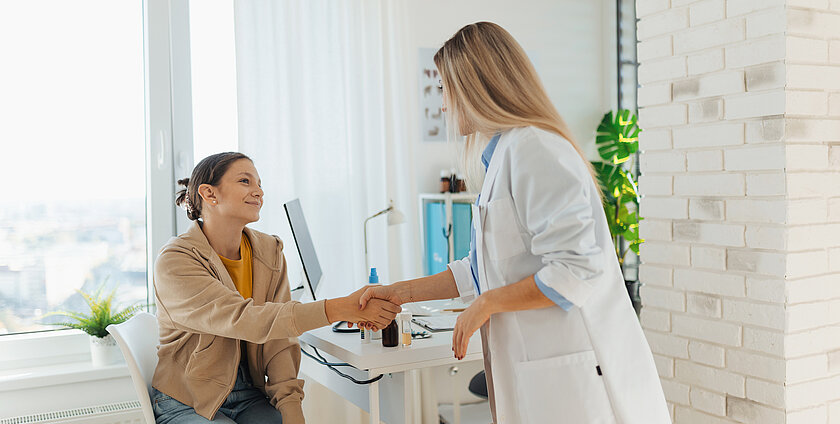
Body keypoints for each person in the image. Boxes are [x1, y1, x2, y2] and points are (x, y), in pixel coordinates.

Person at [358, 22, 670, 423]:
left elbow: (577, 270)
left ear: (475, 85)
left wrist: (489, 303)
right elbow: (477, 271)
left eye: (444, 89)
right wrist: (398, 293)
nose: (443, 104)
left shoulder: (536, 149)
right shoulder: (504, 155)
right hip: (541, 376)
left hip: (577, 378)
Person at [151, 152, 400, 424]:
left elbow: (278, 340)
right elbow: (244, 319)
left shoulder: (269, 251)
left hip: (248, 394)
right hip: (189, 399)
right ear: (209, 194)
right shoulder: (176, 260)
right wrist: (340, 308)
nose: (258, 192)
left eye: (259, 184)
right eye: (245, 181)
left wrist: (292, 410)